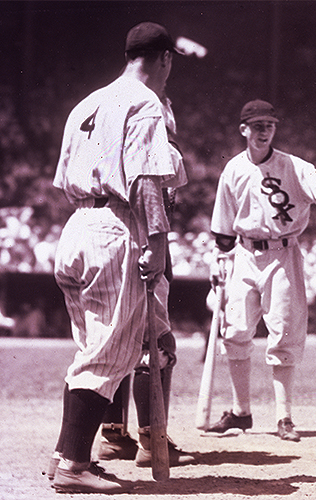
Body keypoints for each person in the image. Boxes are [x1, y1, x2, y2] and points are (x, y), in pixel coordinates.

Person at [47, 22, 185, 493]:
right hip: (114, 226)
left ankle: (68, 454)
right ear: (164, 58)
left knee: (93, 350)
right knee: (109, 354)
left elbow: (63, 176)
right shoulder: (145, 102)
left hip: (77, 225)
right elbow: (146, 180)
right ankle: (72, 465)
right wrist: (158, 243)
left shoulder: (87, 102)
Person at [208, 100, 316, 441]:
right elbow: (223, 229)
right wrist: (219, 263)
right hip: (243, 254)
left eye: (269, 125)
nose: (263, 131)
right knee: (235, 332)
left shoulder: (292, 166)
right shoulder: (232, 170)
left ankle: (284, 417)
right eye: (257, 125)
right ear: (243, 129)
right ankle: (241, 412)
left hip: (282, 254)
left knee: (284, 334)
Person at [94, 95, 195, 468]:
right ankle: (153, 441)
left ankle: (113, 435)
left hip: (108, 241)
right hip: (142, 245)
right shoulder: (156, 146)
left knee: (118, 339)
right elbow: (172, 177)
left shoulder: (108, 146)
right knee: (157, 343)